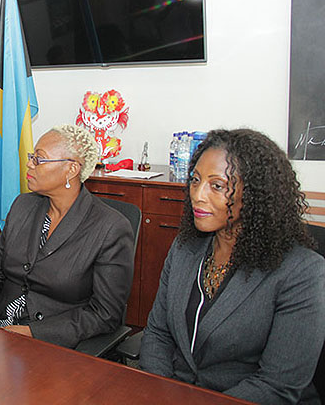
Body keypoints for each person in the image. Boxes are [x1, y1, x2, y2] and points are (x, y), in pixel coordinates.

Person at [139, 129, 325, 404]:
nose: (197, 195)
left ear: (255, 195)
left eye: (217, 186)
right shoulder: (185, 248)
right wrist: (160, 391)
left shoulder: (301, 271)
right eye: (195, 180)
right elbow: (157, 332)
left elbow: (277, 385)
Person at [0, 124, 135, 348]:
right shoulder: (23, 206)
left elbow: (105, 313)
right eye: (32, 157)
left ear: (71, 169)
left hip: (54, 341)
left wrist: (32, 332)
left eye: (39, 159)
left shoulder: (110, 228)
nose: (29, 164)